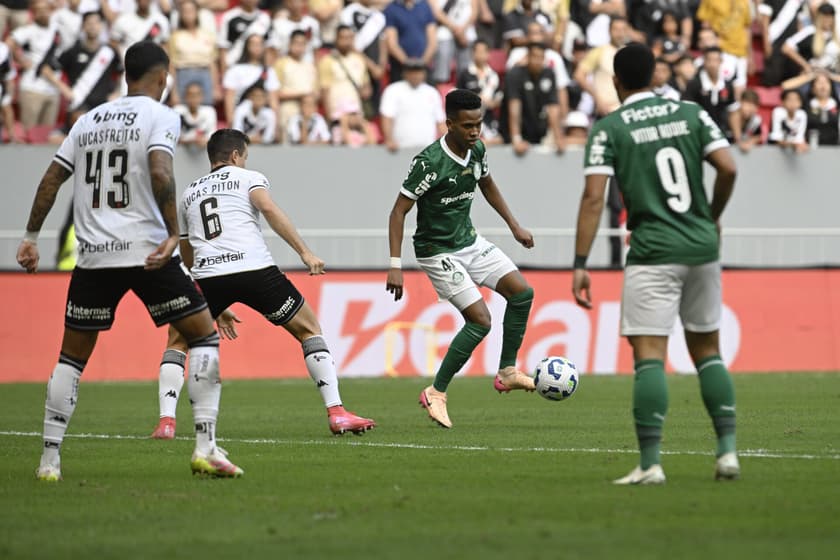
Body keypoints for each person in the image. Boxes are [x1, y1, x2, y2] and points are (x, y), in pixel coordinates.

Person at [17, 41, 244, 481]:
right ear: (162, 77)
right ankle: (205, 447)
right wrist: (175, 232)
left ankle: (49, 461)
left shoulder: (87, 120)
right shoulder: (161, 115)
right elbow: (160, 171)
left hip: (94, 256)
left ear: (125, 75)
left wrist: (30, 236)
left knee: (71, 357)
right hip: (147, 253)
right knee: (203, 336)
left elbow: (52, 178)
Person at [572, 42, 739, 484]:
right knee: (708, 351)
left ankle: (650, 464)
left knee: (649, 356)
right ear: (655, 76)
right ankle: (727, 453)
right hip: (702, 246)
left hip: (652, 250)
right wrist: (712, 216)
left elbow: (594, 197)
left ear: (616, 82)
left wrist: (580, 262)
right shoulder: (692, 113)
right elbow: (728, 168)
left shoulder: (610, 127)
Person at [178, 128, 377, 435]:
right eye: (244, 156)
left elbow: (187, 247)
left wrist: (211, 300)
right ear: (235, 155)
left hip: (208, 275)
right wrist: (305, 252)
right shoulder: (248, 178)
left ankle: (166, 421)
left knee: (178, 343)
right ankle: (336, 412)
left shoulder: (190, 192)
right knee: (309, 329)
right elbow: (268, 209)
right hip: (254, 270)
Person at [386, 88, 537, 429]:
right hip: (436, 251)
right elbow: (398, 212)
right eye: (467, 126)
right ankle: (436, 392)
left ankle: (508, 370)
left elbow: (487, 183)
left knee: (522, 293)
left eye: (479, 124)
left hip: (468, 241)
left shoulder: (477, 149)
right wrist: (395, 265)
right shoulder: (429, 163)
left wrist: (514, 225)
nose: (474, 132)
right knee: (480, 321)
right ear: (449, 123)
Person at [501, 41, 565, 155]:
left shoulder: (549, 74)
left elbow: (553, 108)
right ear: (528, 57)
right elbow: (514, 109)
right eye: (534, 57)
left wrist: (558, 137)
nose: (538, 61)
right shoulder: (514, 74)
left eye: (541, 57)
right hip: (514, 134)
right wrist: (517, 139)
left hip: (537, 133)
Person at [379, 58, 446, 151]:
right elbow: (387, 118)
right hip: (400, 149)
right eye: (412, 72)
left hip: (427, 150)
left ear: (424, 73)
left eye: (418, 72)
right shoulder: (393, 90)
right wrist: (389, 139)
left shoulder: (432, 92)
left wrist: (449, 143)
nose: (415, 75)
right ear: (405, 73)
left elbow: (441, 122)